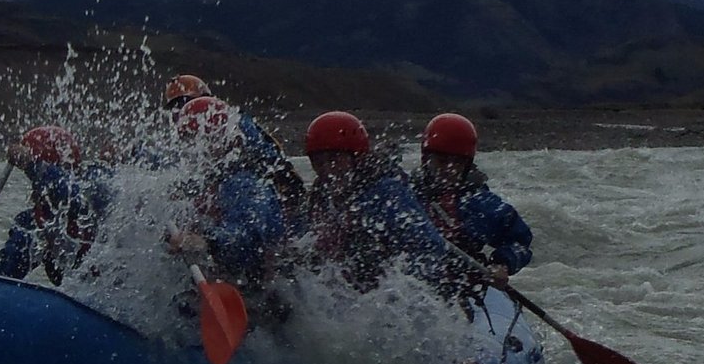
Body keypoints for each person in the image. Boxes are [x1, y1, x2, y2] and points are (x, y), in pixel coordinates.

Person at [301, 110, 473, 296]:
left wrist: (396, 289)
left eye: (334, 160)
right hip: (344, 292)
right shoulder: (320, 194)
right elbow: (303, 235)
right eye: (318, 162)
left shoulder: (387, 192)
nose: (327, 169)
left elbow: (430, 247)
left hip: (390, 298)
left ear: (357, 157)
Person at [164, 96, 288, 293]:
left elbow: (248, 236)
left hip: (262, 293)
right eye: (189, 141)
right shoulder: (208, 183)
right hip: (230, 282)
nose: (195, 150)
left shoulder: (245, 183)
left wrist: (207, 241)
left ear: (230, 140)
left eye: (204, 139)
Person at [161, 74, 305, 229]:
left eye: (184, 103)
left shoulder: (232, 122)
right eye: (176, 108)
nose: (183, 111)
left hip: (276, 187)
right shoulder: (200, 132)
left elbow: (260, 159)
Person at [410, 113, 533, 287]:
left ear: (467, 165)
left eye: (457, 163)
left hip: (459, 289)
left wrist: (502, 264)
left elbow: (520, 242)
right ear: (425, 159)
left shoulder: (481, 204)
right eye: (441, 161)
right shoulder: (405, 193)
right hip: (408, 283)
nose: (449, 170)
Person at [0, 125, 107, 285]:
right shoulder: (33, 222)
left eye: (32, 178)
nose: (33, 186)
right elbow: (5, 273)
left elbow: (69, 192)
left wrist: (33, 164)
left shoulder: (92, 192)